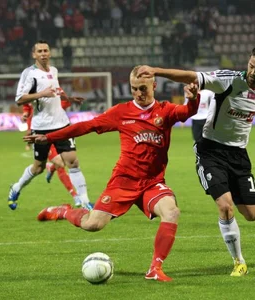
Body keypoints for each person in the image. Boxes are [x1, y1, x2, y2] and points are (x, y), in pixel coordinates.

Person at [24, 66, 200, 282]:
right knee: (92, 225)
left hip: (152, 183)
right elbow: (87, 126)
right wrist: (50, 137)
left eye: (143, 88)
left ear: (154, 86)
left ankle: (154, 269)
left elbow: (187, 112)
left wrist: (193, 99)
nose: (138, 93)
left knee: (171, 212)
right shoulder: (121, 112)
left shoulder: (165, 110)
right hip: (123, 182)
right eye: (134, 89)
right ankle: (62, 211)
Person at [137, 45, 255, 276]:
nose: (252, 71)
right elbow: (191, 76)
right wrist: (156, 71)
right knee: (225, 206)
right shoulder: (228, 80)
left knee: (251, 214)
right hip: (211, 151)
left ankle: (237, 245)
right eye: (251, 65)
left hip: (239, 155)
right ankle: (239, 261)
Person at [8, 40, 91, 210]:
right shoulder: (29, 73)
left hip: (62, 124)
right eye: (40, 51)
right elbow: (19, 99)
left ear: (50, 53)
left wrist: (68, 99)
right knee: (38, 167)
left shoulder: (54, 70)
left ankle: (85, 201)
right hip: (41, 127)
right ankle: (16, 187)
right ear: (34, 54)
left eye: (46, 50)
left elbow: (56, 91)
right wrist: (41, 94)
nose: (43, 54)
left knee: (73, 162)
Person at [22, 102, 82, 207]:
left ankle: (51, 168)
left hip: (57, 131)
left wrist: (68, 101)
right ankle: (75, 195)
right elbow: (26, 105)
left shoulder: (53, 94)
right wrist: (25, 113)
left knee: (64, 162)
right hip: (41, 133)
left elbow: (64, 103)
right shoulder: (33, 92)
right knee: (59, 163)